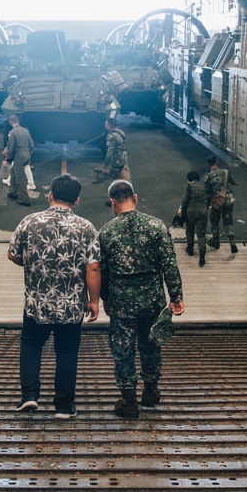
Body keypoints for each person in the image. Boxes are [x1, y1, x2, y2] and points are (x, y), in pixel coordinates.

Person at [8, 174, 100, 419]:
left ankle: (29, 396)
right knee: (67, 352)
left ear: (50, 196)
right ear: (77, 201)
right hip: (71, 306)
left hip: (36, 303)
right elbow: (92, 267)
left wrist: (34, 264)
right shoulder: (87, 228)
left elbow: (13, 254)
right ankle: (63, 406)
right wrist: (94, 301)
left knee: (31, 345)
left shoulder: (29, 221)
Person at [98, 180, 184, 419]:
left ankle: (128, 401)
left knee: (123, 349)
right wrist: (176, 297)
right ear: (135, 198)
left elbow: (102, 271)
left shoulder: (106, 232)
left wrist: (104, 298)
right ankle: (150, 393)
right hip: (153, 301)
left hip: (121, 303)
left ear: (113, 203)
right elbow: (170, 265)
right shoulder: (156, 227)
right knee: (151, 344)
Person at [204, 154, 238, 254]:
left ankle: (216, 241)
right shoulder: (226, 172)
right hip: (228, 200)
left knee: (214, 221)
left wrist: (206, 206)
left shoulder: (208, 177)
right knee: (228, 221)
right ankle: (232, 242)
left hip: (217, 202)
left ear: (207, 164)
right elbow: (235, 182)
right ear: (217, 162)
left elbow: (208, 193)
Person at [177, 170, 209, 266]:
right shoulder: (203, 185)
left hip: (191, 212)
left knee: (190, 230)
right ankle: (202, 256)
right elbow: (207, 198)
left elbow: (185, 200)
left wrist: (181, 210)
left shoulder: (189, 186)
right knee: (201, 234)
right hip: (203, 212)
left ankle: (190, 249)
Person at [2, 114, 34, 206]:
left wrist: (7, 159)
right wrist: (28, 156)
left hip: (19, 155)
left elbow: (11, 148)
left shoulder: (12, 133)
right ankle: (13, 192)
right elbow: (32, 145)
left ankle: (24, 199)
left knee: (20, 178)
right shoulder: (26, 131)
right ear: (18, 121)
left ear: (10, 122)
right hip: (27, 153)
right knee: (13, 172)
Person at [95, 118, 128, 187]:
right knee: (119, 176)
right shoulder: (120, 132)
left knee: (114, 182)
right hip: (123, 157)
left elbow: (110, 152)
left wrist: (105, 166)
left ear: (109, 125)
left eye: (106, 124)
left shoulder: (111, 137)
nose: (105, 125)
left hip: (117, 160)